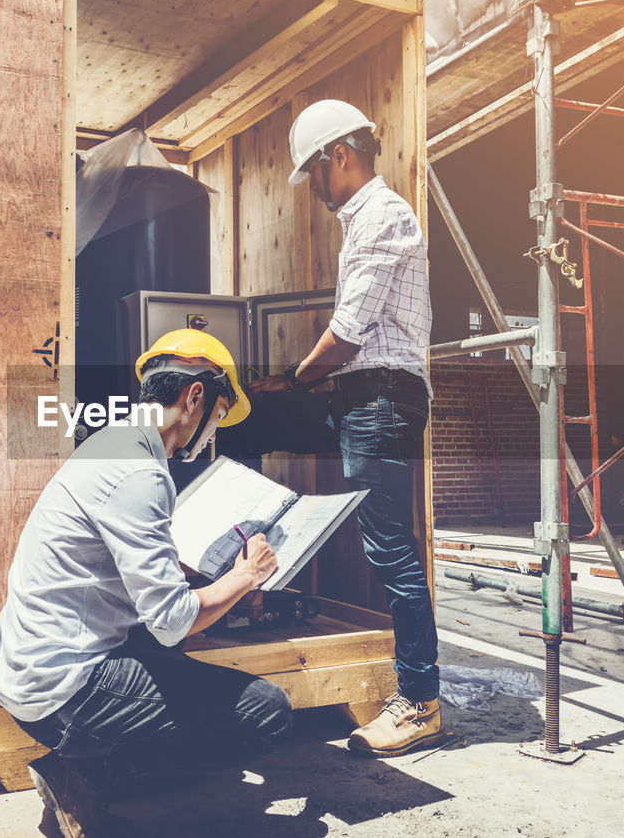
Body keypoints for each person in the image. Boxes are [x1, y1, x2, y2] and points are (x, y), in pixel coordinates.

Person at [0, 329, 292, 838]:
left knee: (178, 661)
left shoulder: (112, 445)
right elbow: (172, 623)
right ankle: (82, 774)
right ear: (196, 397)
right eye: (217, 417)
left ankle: (86, 764)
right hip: (63, 688)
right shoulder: (140, 473)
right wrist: (246, 576)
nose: (215, 433)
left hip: (22, 666)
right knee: (267, 713)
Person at [225, 99, 441, 758]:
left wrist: (291, 378)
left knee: (388, 547)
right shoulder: (361, 220)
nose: (311, 187)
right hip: (353, 395)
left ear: (337, 157)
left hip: (380, 397)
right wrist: (276, 389)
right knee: (241, 420)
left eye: (312, 173)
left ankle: (420, 701)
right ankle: (242, 591)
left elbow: (349, 333)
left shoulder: (382, 215)